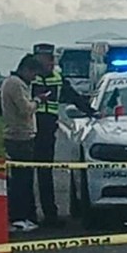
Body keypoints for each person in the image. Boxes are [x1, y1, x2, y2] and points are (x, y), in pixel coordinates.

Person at [31, 43, 97, 227]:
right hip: (27, 131)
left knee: (45, 173)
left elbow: (75, 98)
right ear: (37, 59)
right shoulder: (28, 77)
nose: (51, 62)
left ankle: (50, 215)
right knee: (25, 174)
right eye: (47, 58)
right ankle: (27, 215)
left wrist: (93, 112)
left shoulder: (57, 78)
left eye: (52, 58)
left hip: (47, 131)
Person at [1, 54, 41, 232]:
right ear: (26, 69)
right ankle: (18, 218)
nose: (34, 78)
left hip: (20, 136)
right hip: (19, 137)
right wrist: (38, 101)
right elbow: (25, 109)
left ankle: (21, 216)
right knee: (21, 181)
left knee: (22, 179)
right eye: (34, 74)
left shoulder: (12, 83)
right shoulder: (16, 85)